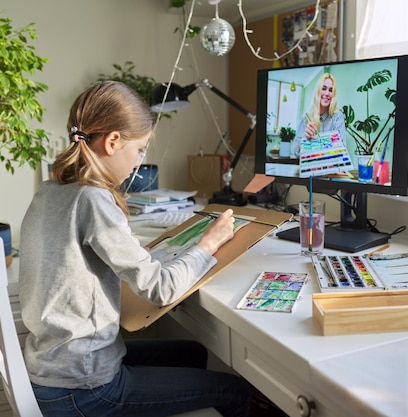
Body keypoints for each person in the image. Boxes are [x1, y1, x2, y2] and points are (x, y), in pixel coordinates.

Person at [18, 81, 252, 417]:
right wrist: (209, 243)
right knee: (236, 392)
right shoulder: (93, 199)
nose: (139, 163)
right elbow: (160, 289)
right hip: (84, 389)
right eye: (140, 150)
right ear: (113, 142)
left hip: (55, 366)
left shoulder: (52, 189)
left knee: (191, 353)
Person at [292, 73, 346, 157]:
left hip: (331, 169)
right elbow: (296, 152)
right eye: (323, 88)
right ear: (317, 91)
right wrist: (304, 139)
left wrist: (314, 145)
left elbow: (341, 149)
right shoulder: (306, 119)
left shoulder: (337, 117)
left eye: (331, 90)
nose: (327, 93)